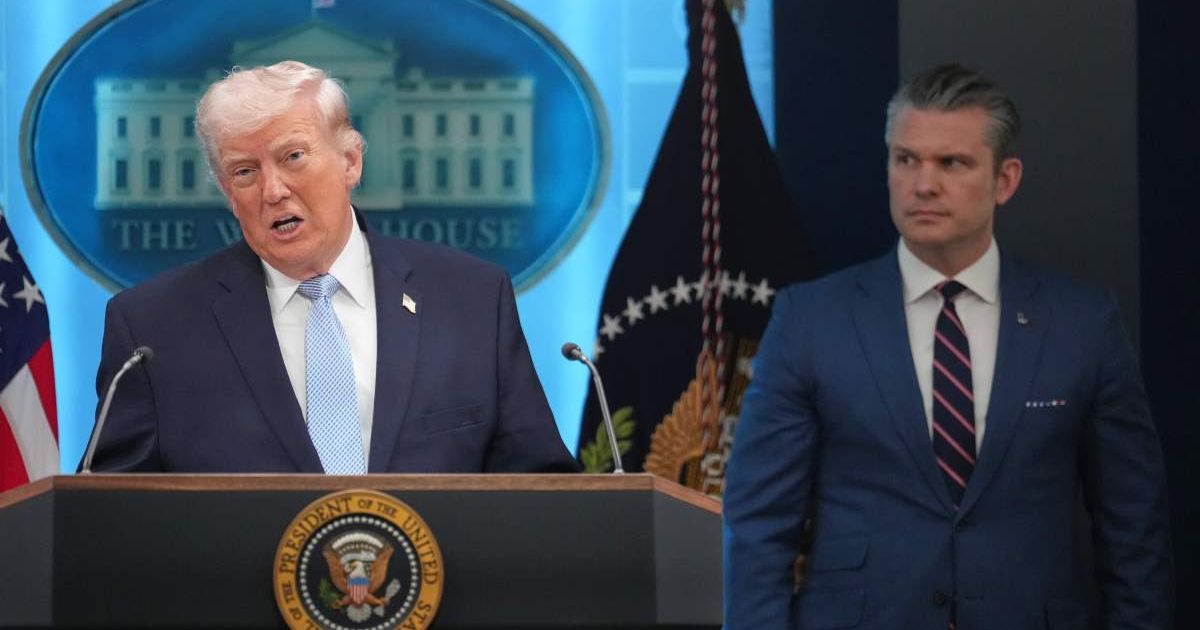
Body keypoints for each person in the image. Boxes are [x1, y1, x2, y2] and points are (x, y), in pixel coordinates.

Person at [723, 64, 1173, 629]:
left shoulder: (1083, 324)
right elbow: (760, 524)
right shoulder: (810, 320)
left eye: (952, 163)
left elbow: (1134, 529)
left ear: (1005, 180)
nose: (923, 184)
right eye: (905, 159)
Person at [86, 60, 577, 474]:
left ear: (350, 162)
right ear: (228, 194)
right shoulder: (151, 331)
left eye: (293, 156)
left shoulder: (471, 301)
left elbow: (542, 491)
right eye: (244, 172)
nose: (273, 190)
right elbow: (113, 518)